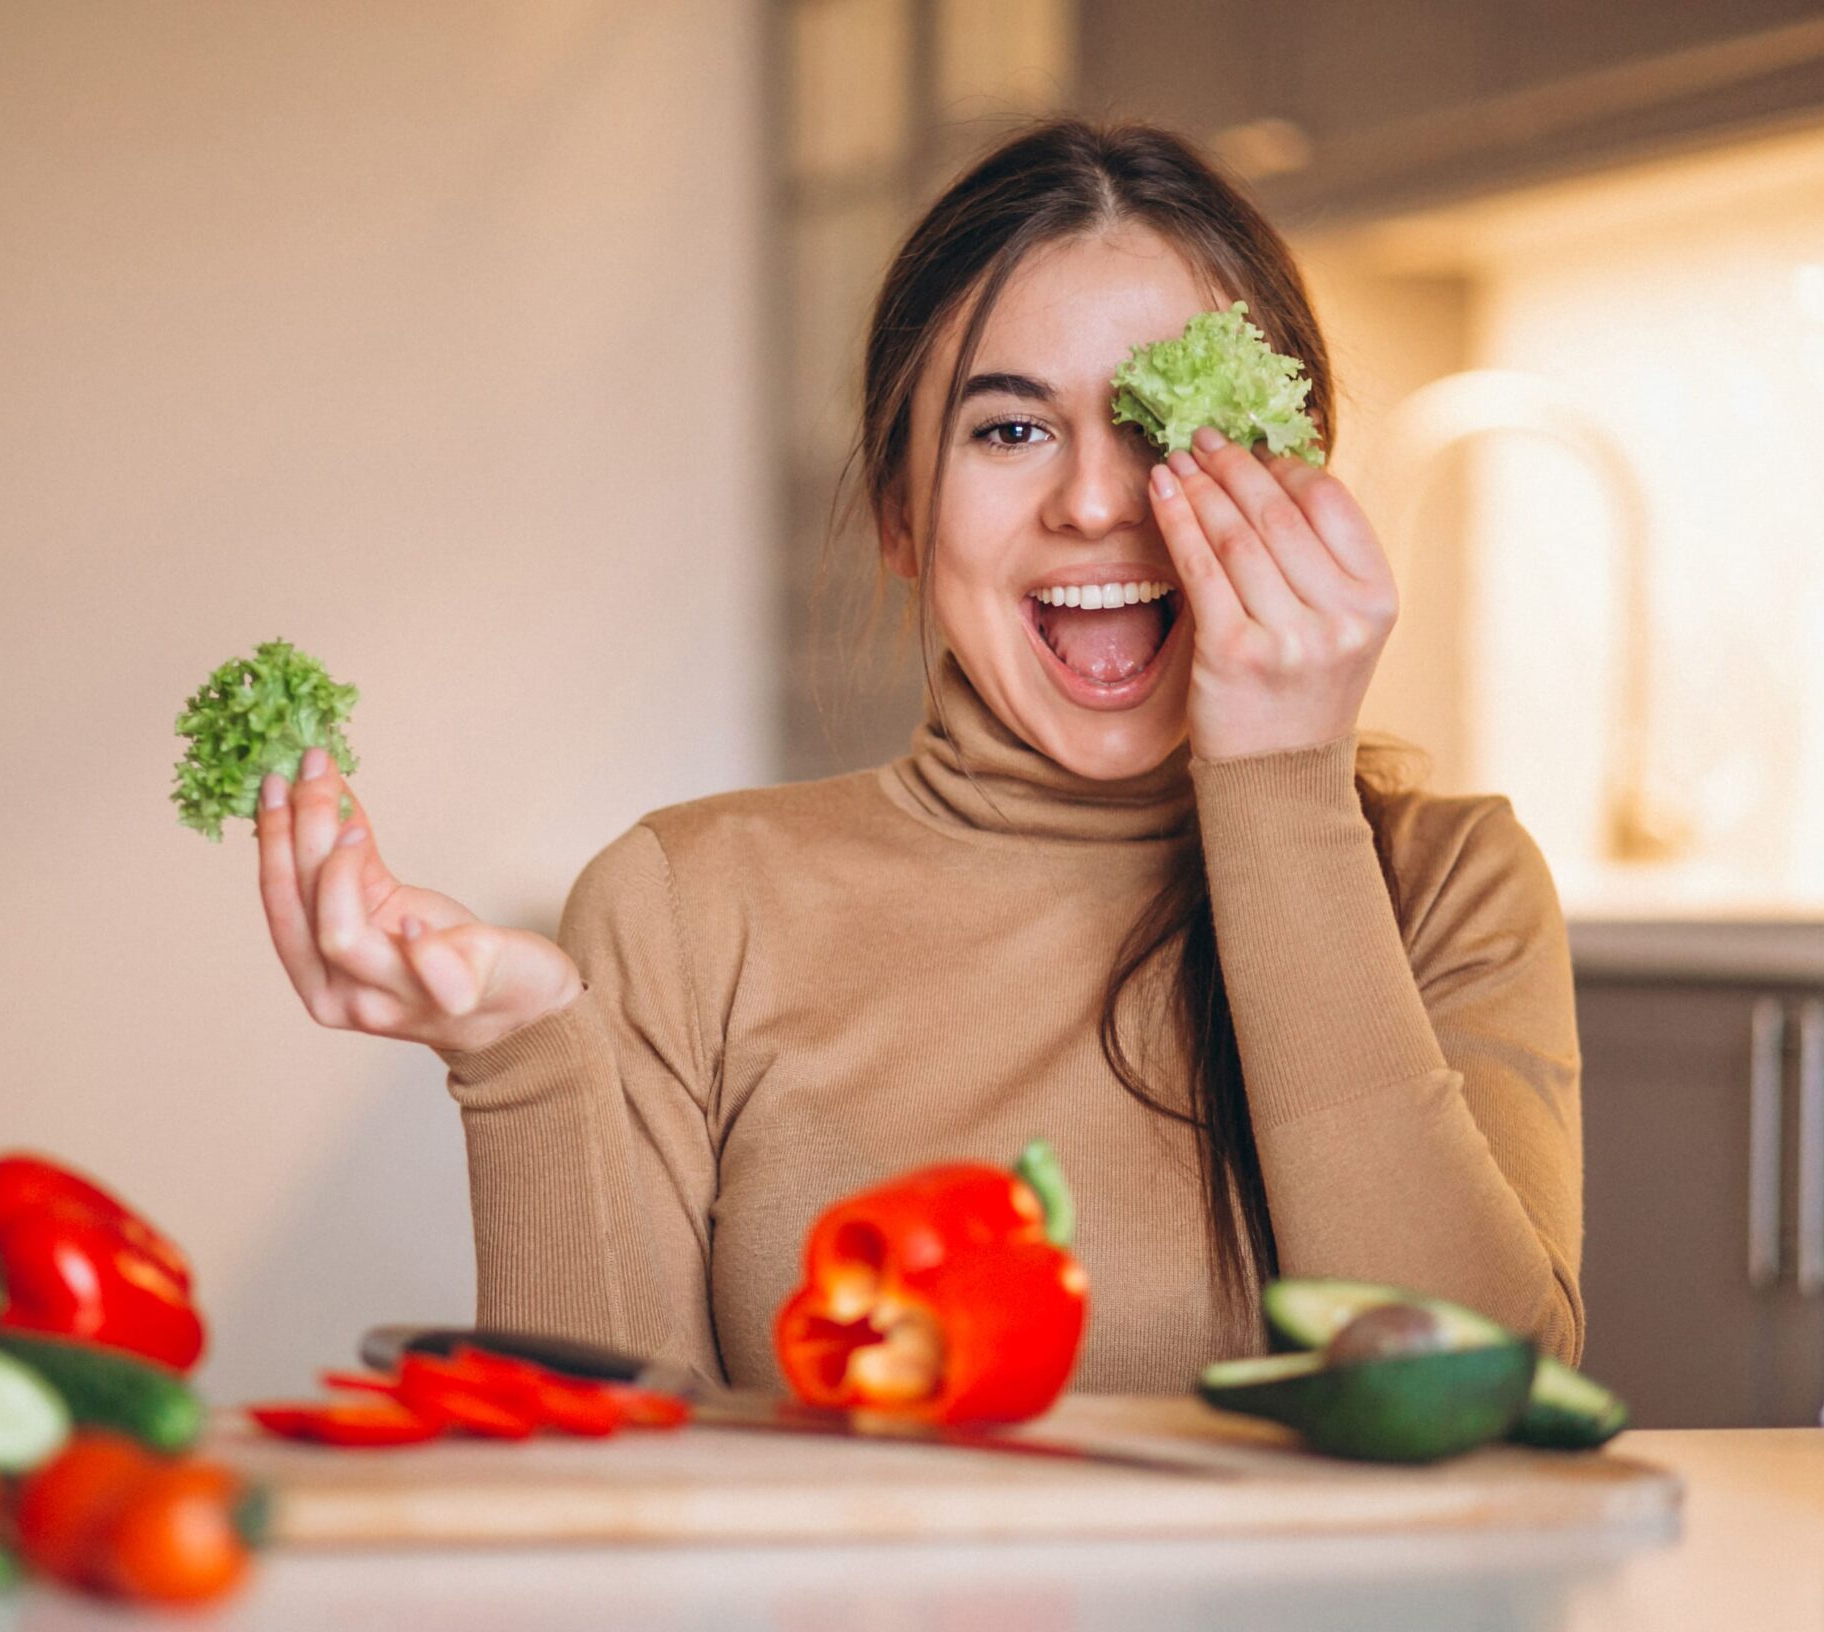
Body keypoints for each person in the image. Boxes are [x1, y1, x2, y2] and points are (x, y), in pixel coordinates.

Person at [250, 119, 1581, 1393]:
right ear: (900, 510)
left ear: (1296, 485)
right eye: (1011, 428)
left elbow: (1481, 1411)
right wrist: (519, 1052)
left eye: (1166, 422)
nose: (1098, 501)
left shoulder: (1449, 884)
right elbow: (616, 1512)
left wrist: (1283, 781)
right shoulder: (682, 906)